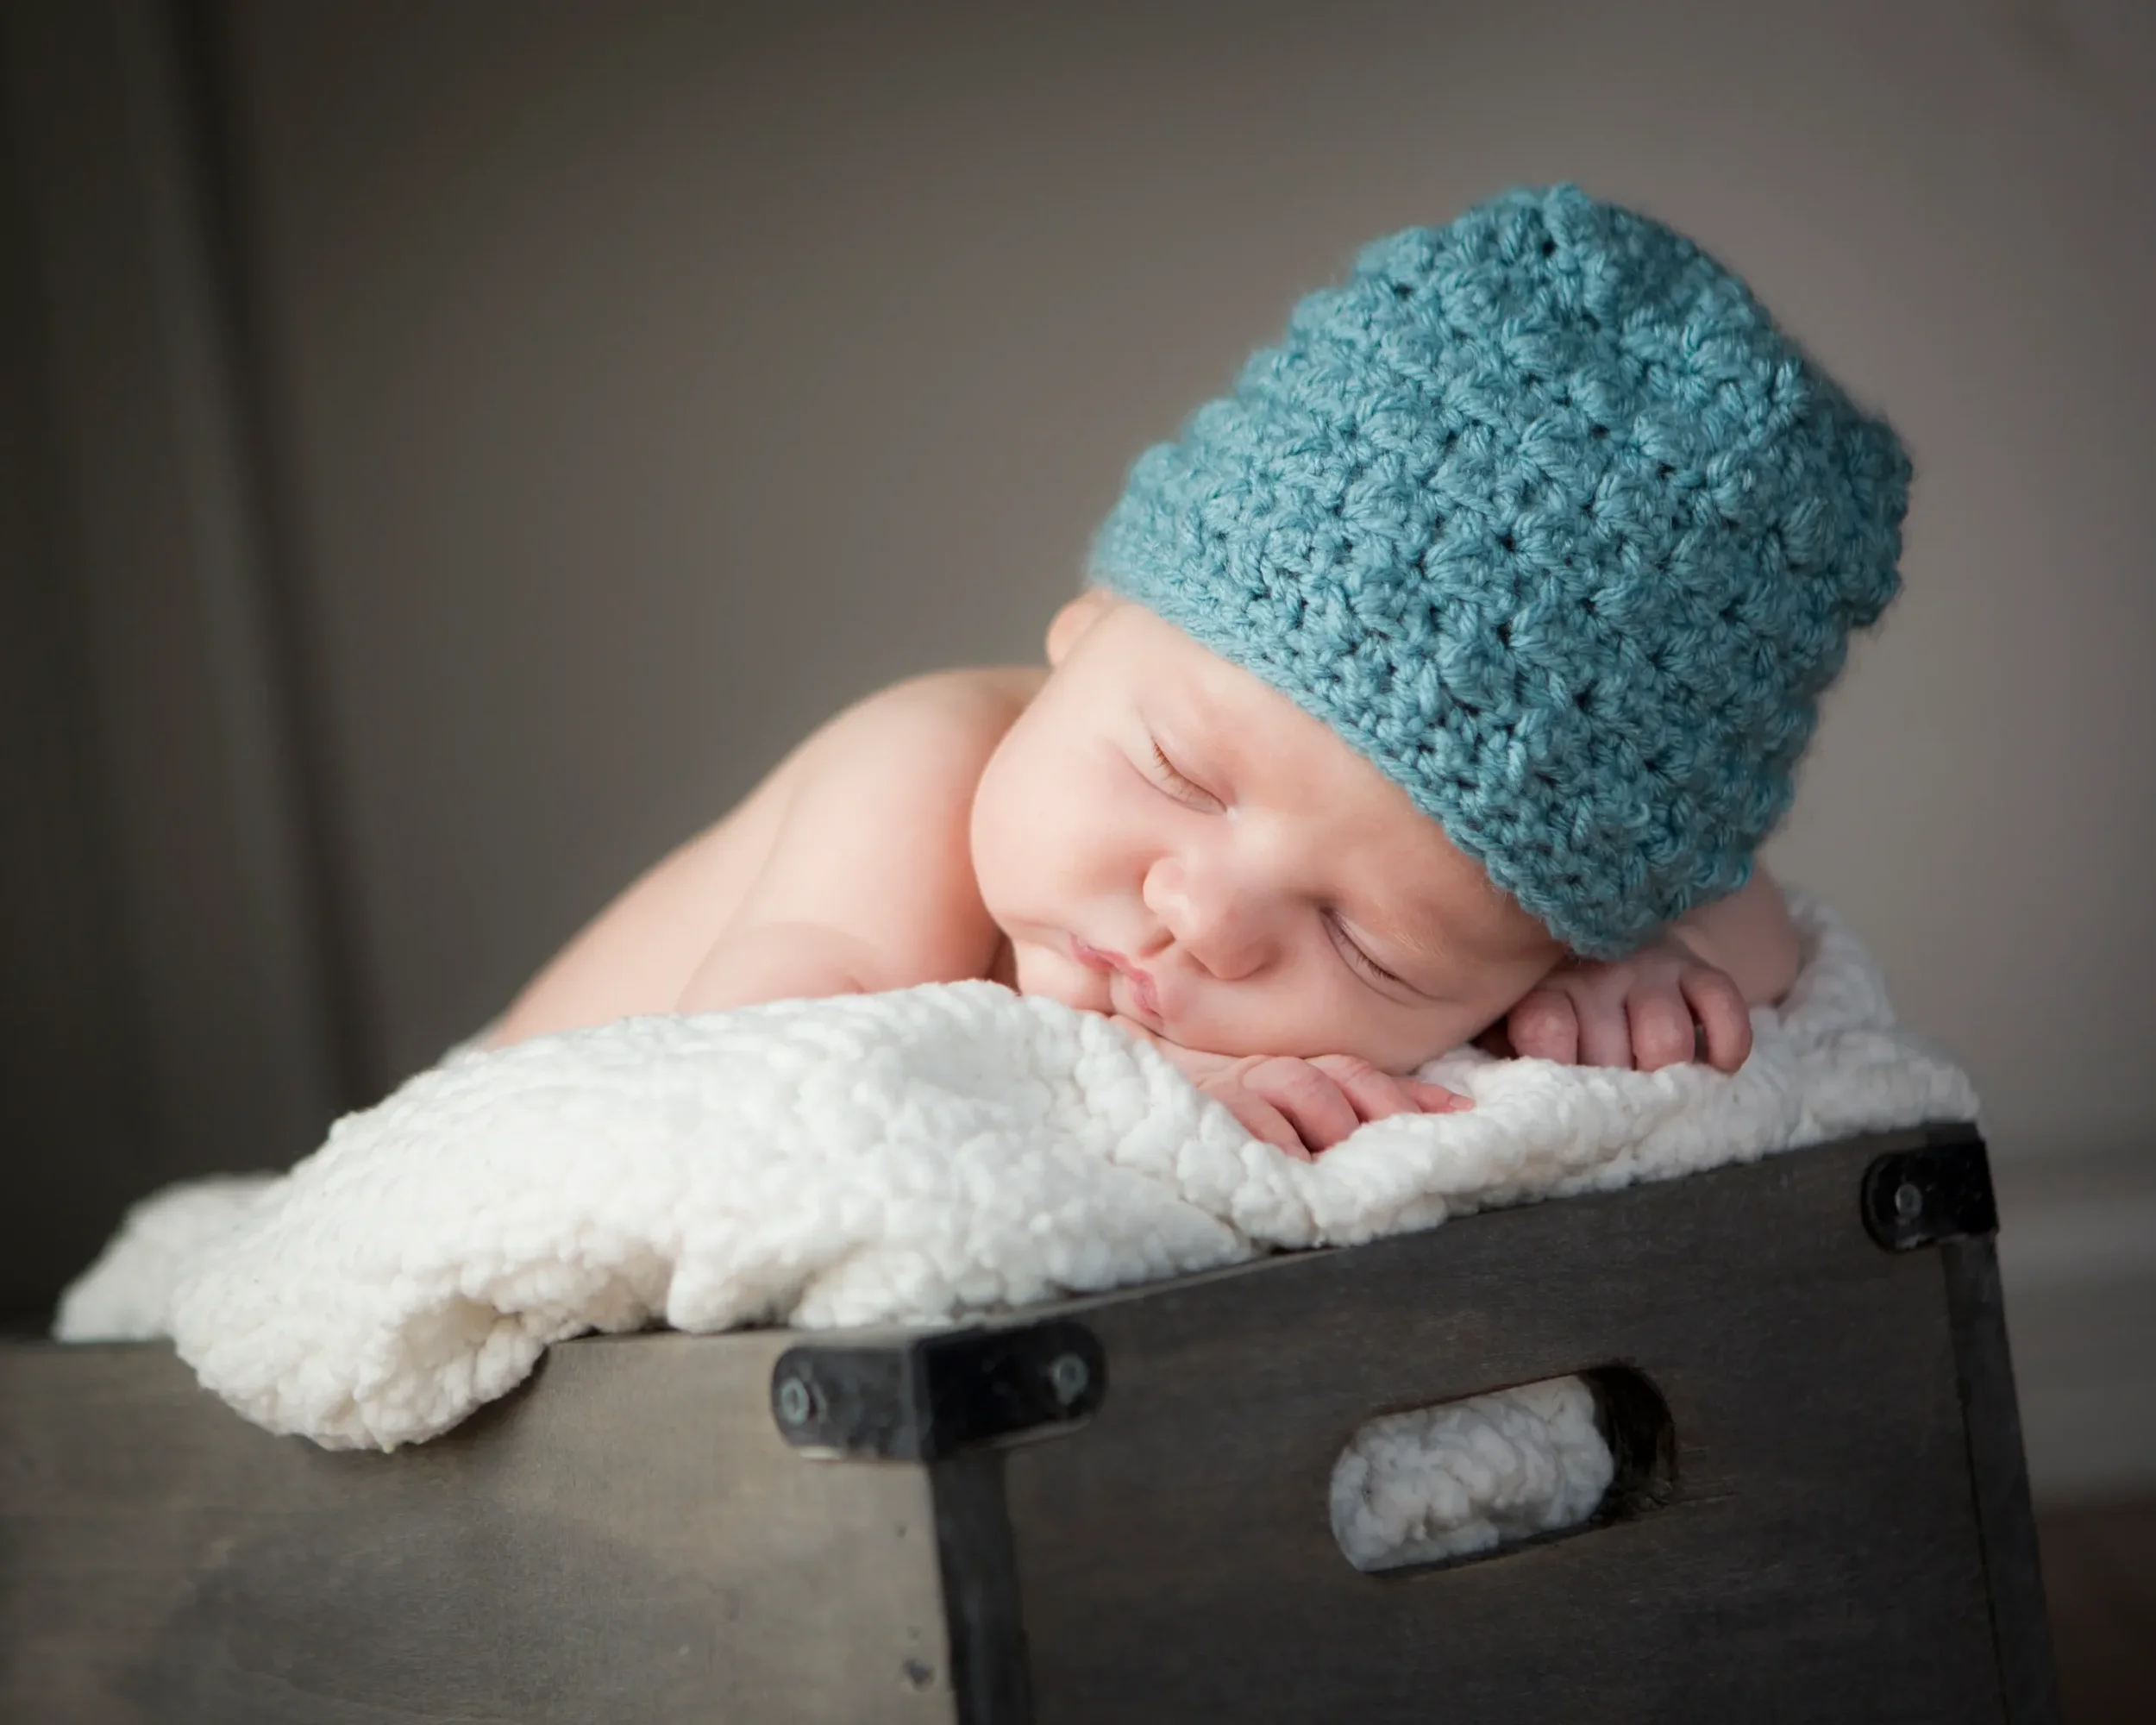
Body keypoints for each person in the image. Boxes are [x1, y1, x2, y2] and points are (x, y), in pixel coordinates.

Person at [487, 185, 1908, 1157]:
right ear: (1088, 624)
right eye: (1181, 774)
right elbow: (764, 1076)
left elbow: (1752, 922)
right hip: (504, 1130)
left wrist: (1645, 968)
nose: (1205, 921)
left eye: (1368, 942)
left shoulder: (1535, 912)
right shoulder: (917, 771)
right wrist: (1131, 1088)